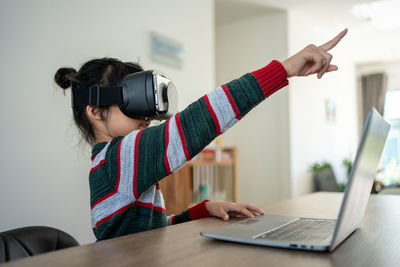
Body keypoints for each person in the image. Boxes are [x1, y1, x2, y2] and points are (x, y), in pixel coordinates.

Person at [54, 29, 347, 241]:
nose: (146, 117)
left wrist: (201, 210)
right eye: (132, 105)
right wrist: (282, 71)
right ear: (95, 111)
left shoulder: (115, 164)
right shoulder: (117, 159)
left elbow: (145, 235)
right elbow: (197, 122)